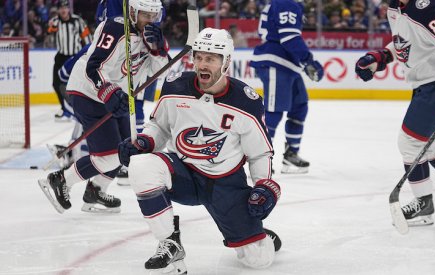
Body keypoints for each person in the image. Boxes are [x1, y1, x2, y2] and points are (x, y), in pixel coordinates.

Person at [118, 28, 282, 273]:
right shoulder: (175, 86)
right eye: (199, 57)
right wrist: (145, 142)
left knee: (257, 260)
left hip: (225, 184)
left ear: (226, 62)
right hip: (183, 173)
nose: (203, 64)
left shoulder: (246, 101)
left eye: (211, 58)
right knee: (142, 165)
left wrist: (264, 185)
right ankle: (170, 243)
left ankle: (255, 233)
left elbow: (260, 153)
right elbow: (159, 126)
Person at [355, 0, 435, 226]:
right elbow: (405, 43)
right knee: (422, 143)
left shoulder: (426, 7)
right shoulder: (395, 8)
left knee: (409, 143)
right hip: (424, 83)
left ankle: (423, 204)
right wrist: (380, 57)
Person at [38, 0, 170, 214]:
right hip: (88, 92)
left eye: (155, 16)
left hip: (116, 96)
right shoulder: (115, 28)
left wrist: (158, 51)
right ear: (134, 13)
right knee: (108, 156)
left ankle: (96, 191)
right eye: (146, 15)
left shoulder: (152, 37)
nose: (151, 21)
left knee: (128, 150)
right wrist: (109, 92)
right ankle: (61, 180)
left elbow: (162, 73)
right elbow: (93, 67)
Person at [250, 0, 324, 174]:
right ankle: (261, 159)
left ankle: (291, 155)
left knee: (299, 107)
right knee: (274, 111)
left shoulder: (288, 4)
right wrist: (308, 60)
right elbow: (289, 37)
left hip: (288, 64)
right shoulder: (286, 3)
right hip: (276, 61)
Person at [47, 0, 92, 122]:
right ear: (58, 10)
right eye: (61, 8)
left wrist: (88, 54)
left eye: (65, 7)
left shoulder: (78, 21)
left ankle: (78, 110)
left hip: (74, 57)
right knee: (56, 84)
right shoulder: (55, 22)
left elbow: (87, 39)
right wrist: (50, 26)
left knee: (75, 85)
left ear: (68, 9)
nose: (63, 10)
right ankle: (66, 110)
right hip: (61, 57)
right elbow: (48, 33)